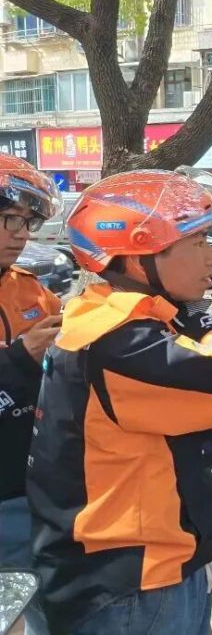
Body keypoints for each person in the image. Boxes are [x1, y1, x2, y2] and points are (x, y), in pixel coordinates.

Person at [27, 169, 212, 635]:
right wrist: (210, 325)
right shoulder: (119, 339)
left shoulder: (118, 314)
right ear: (138, 258)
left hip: (147, 570)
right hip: (133, 583)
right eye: (198, 242)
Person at [0, 155, 63, 635]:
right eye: (8, 219)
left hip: (31, 491)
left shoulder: (35, 293)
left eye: (27, 222)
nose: (21, 234)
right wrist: (20, 358)